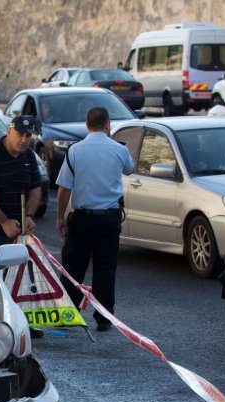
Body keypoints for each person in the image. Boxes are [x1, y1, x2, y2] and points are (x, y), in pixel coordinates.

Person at [54, 107, 134, 332]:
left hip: (81, 219)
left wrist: (60, 216)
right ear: (107, 124)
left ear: (87, 124)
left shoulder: (75, 151)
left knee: (73, 268)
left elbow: (64, 189)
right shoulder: (119, 150)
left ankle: (69, 315)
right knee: (105, 269)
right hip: (109, 219)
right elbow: (130, 169)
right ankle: (104, 318)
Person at [0, 115, 42, 246]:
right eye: (20, 134)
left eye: (28, 135)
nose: (24, 139)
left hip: (22, 233)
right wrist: (4, 221)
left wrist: (29, 216)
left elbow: (35, 188)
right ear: (9, 131)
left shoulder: (29, 155)